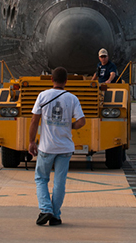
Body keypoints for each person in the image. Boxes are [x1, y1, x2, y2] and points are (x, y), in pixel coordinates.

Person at [28, 67, 85, 226]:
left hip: (47, 147)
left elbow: (34, 121)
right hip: (65, 148)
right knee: (60, 182)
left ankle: (46, 209)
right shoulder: (72, 98)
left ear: (51, 80)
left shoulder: (43, 96)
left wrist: (32, 141)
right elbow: (81, 122)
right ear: (66, 81)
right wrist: (69, 126)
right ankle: (55, 216)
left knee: (41, 178)